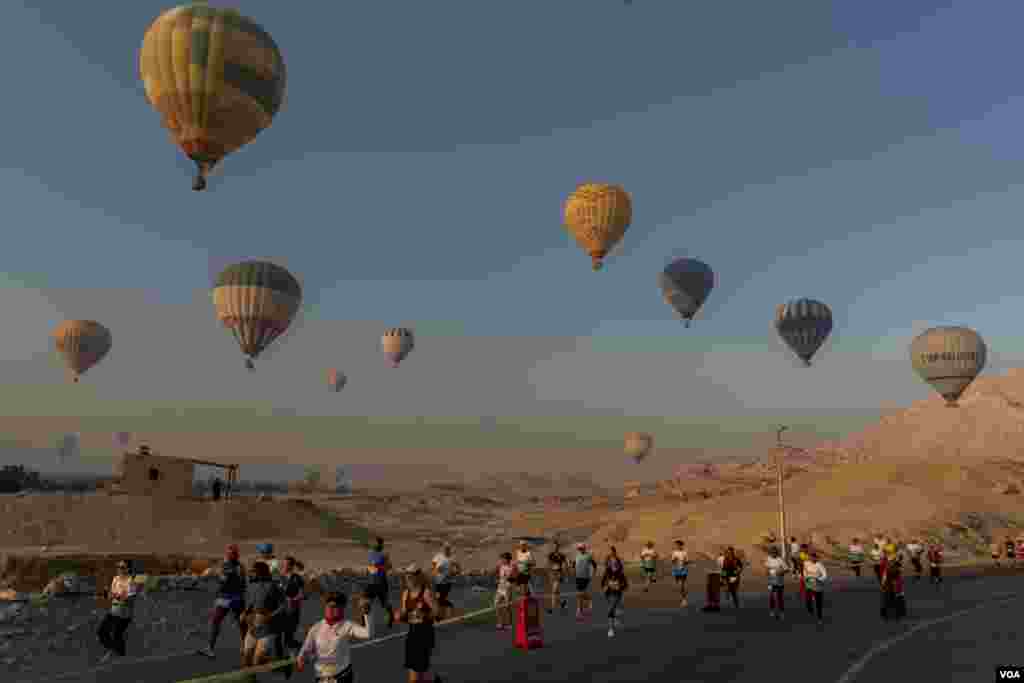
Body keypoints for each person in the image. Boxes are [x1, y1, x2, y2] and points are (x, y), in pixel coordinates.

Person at [296, 591, 373, 683]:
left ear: (341, 609)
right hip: (321, 678)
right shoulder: (316, 628)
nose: (331, 609)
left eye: (335, 606)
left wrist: (367, 613)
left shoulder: (347, 625)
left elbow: (368, 633)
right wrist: (301, 657)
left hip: (342, 676)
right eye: (329, 606)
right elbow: (306, 648)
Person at [198, 544, 247, 659]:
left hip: (231, 598)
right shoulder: (234, 566)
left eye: (231, 553)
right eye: (228, 553)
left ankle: (246, 646)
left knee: (238, 623)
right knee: (221, 622)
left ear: (235, 555)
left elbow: (224, 580)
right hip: (229, 598)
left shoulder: (234, 566)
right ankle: (210, 648)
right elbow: (239, 582)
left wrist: (213, 574)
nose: (228, 555)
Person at [396, 565, 443, 682]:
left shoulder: (426, 593)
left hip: (424, 637)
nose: (408, 578)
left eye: (411, 576)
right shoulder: (405, 594)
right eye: (406, 576)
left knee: (415, 677)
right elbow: (405, 615)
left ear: (418, 577)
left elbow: (439, 614)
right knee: (416, 676)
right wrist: (399, 616)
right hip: (412, 637)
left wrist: (425, 616)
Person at [240, 561, 287, 670]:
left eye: (254, 571)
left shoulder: (273, 586)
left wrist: (270, 615)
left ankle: (280, 664)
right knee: (246, 657)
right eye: (251, 571)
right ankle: (251, 679)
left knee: (257, 660)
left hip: (268, 628)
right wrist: (244, 613)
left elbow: (283, 606)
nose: (251, 573)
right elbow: (250, 604)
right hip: (252, 626)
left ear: (261, 572)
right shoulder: (251, 586)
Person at [97, 560, 141, 662]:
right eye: (118, 567)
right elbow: (111, 594)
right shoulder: (115, 579)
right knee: (101, 632)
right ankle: (115, 652)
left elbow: (131, 598)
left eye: (122, 567)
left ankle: (119, 656)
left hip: (124, 615)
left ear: (128, 569)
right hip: (114, 611)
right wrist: (106, 594)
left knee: (117, 635)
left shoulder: (131, 582)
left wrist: (118, 596)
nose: (119, 569)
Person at [366, 537, 395, 628]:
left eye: (378, 543)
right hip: (371, 582)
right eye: (374, 543)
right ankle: (364, 621)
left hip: (381, 583)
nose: (375, 545)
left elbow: (389, 567)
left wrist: (380, 567)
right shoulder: (370, 552)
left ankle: (391, 616)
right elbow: (370, 566)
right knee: (365, 601)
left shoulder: (384, 554)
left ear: (381, 544)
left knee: (384, 603)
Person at [279, 556, 306, 652]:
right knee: (277, 635)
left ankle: (298, 650)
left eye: (287, 564)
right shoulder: (278, 577)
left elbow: (302, 594)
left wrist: (293, 599)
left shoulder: (297, 578)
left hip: (292, 609)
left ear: (292, 566)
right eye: (284, 564)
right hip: (279, 610)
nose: (285, 566)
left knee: (288, 636)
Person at [600, 546, 628, 638]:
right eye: (611, 563)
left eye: (614, 563)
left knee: (611, 609)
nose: (613, 564)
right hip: (608, 592)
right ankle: (615, 617)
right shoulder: (607, 572)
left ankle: (611, 629)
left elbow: (625, 584)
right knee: (611, 608)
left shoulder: (620, 573)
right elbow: (603, 582)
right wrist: (604, 587)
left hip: (617, 593)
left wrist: (619, 586)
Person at [879, 547, 906, 620]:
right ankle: (895, 613)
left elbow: (885, 577)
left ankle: (887, 613)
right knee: (893, 600)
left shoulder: (891, 567)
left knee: (890, 600)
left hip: (892, 586)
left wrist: (883, 585)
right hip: (893, 586)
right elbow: (898, 578)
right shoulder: (892, 568)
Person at [431, 543, 456, 621]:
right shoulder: (438, 556)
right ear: (442, 549)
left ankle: (439, 616)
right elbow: (434, 566)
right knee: (436, 599)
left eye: (448, 548)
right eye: (445, 548)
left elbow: (457, 568)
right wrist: (435, 572)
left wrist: (453, 572)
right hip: (437, 581)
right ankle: (440, 614)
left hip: (447, 582)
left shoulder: (452, 558)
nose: (446, 549)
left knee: (440, 599)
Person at [573, 542, 598, 620]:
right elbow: (574, 565)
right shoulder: (577, 556)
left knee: (580, 594)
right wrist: (573, 572)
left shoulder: (588, 556)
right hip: (578, 577)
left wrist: (593, 573)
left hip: (585, 577)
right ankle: (589, 600)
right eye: (579, 549)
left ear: (584, 548)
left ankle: (579, 611)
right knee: (580, 594)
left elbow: (594, 565)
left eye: (581, 548)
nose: (580, 550)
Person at [803, 550, 827, 627]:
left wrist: (819, 579)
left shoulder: (820, 565)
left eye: (814, 558)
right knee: (807, 600)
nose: (813, 559)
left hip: (818, 586)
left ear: (816, 558)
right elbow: (805, 571)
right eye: (811, 558)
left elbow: (825, 575)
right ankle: (810, 611)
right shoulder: (807, 564)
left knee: (818, 604)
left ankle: (819, 618)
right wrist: (805, 577)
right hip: (809, 585)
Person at [494, 552, 517, 630]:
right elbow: (496, 572)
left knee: (507, 607)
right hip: (500, 588)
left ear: (508, 559)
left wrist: (509, 578)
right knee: (496, 604)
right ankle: (500, 623)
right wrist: (497, 579)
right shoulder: (500, 565)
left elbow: (514, 578)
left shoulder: (512, 566)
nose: (502, 560)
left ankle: (509, 623)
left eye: (503, 559)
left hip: (508, 588)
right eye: (501, 559)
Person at [546, 541, 569, 614]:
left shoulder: (561, 555)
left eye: (556, 546)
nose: (555, 548)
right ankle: (562, 602)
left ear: (558, 547)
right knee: (556, 592)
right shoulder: (551, 555)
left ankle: (551, 608)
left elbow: (566, 564)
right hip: (553, 574)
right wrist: (549, 573)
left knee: (554, 591)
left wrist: (565, 575)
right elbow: (548, 564)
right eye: (554, 546)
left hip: (559, 574)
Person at [765, 546, 788, 620]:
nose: (773, 553)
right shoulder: (768, 559)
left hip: (779, 582)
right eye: (772, 552)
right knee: (771, 596)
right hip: (771, 582)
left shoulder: (780, 560)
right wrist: (767, 572)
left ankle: (781, 612)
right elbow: (766, 568)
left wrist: (781, 572)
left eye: (774, 552)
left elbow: (787, 569)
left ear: (777, 552)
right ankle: (772, 610)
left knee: (779, 597)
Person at [670, 540, 690, 608]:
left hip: (683, 570)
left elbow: (687, 561)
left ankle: (684, 600)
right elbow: (672, 561)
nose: (677, 546)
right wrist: (674, 560)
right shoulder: (674, 553)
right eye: (676, 545)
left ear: (681, 545)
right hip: (676, 570)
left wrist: (685, 561)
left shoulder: (684, 553)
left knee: (681, 585)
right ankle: (683, 598)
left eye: (678, 545)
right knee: (679, 586)